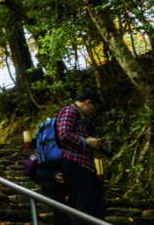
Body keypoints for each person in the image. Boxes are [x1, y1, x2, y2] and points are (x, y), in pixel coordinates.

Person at [55, 88, 107, 224]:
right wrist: (86, 141)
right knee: (85, 212)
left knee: (92, 210)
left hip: (83, 167)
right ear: (88, 102)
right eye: (94, 107)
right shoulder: (70, 110)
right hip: (76, 164)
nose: (93, 112)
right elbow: (64, 134)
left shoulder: (80, 117)